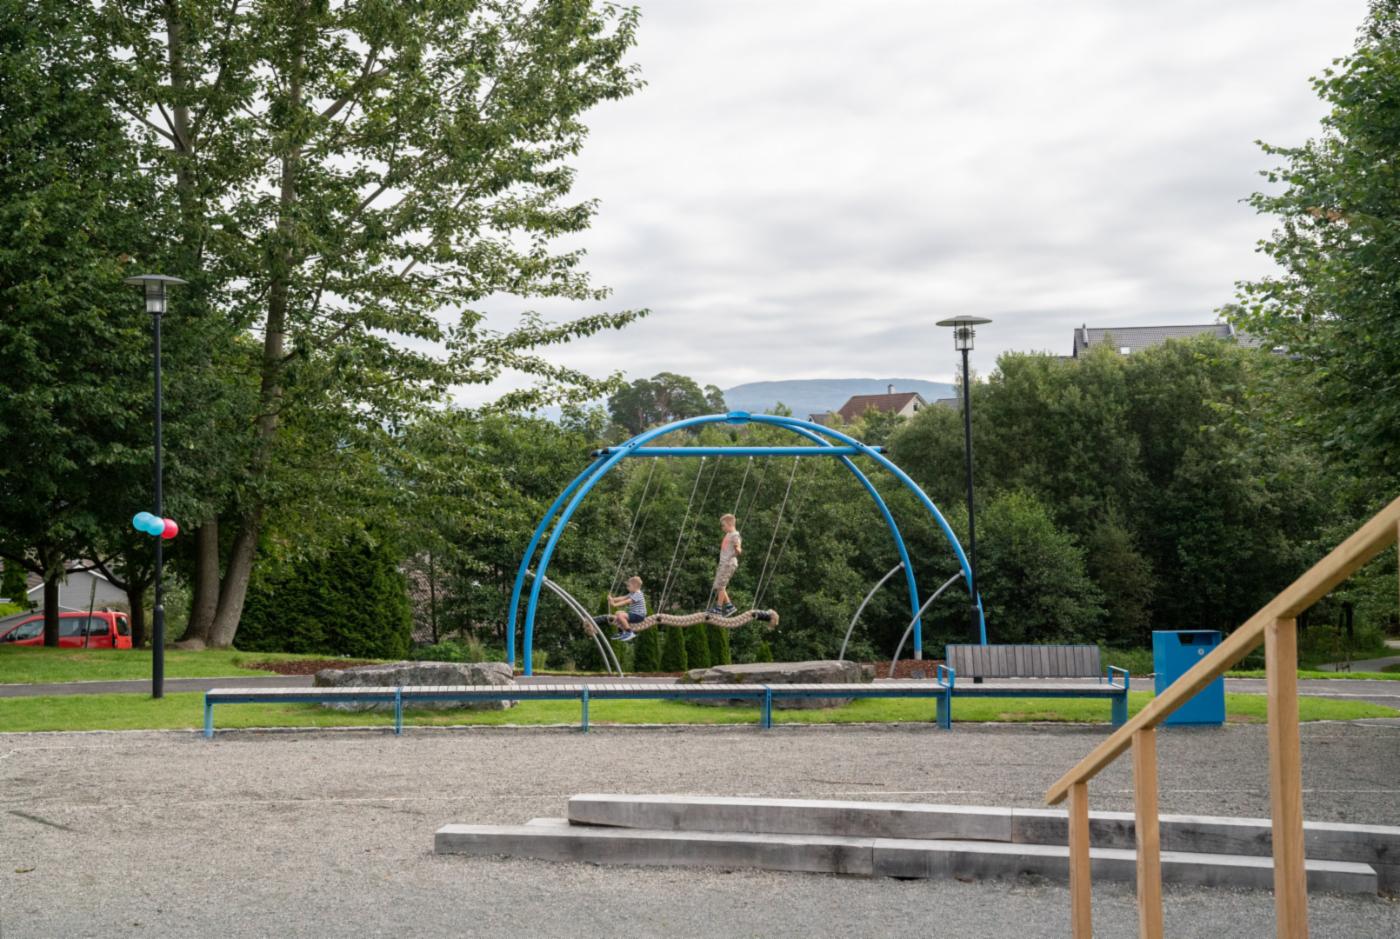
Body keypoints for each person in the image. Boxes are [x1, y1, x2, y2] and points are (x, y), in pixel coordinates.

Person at [710, 513, 742, 616]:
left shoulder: (735, 535)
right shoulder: (729, 534)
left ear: (730, 524)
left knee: (721, 585)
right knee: (718, 585)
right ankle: (729, 606)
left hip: (728, 563)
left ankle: (718, 608)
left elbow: (738, 547)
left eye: (723, 525)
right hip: (724, 563)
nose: (722, 528)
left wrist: (737, 549)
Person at [607, 575, 647, 641]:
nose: (627, 587)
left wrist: (614, 605)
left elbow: (626, 601)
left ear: (635, 585)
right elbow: (622, 598)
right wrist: (612, 599)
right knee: (617, 613)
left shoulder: (638, 594)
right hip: (634, 614)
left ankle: (629, 632)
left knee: (621, 616)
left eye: (629, 586)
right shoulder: (632, 593)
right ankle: (621, 632)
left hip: (639, 615)